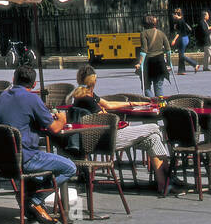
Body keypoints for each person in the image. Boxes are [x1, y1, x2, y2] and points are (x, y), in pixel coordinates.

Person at [64, 65, 179, 194]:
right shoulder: (87, 99)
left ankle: (164, 184)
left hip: (103, 136)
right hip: (108, 138)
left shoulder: (82, 95)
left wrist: (134, 103)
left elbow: (108, 104)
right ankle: (170, 176)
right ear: (94, 81)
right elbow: (105, 117)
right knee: (155, 127)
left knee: (154, 138)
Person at [0, 65, 77, 224]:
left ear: (13, 80)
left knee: (40, 169)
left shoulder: (2, 96)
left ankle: (29, 197)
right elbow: (55, 128)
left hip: (2, 161)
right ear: (34, 84)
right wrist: (63, 119)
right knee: (70, 167)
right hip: (26, 159)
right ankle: (35, 200)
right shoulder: (32, 99)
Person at [137, 15, 171, 99]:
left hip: (148, 63)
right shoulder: (161, 33)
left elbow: (144, 50)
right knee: (158, 86)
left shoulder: (144, 33)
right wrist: (169, 63)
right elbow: (168, 50)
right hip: (160, 62)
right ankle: (160, 104)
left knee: (146, 86)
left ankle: (153, 102)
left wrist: (140, 63)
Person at [169, 8, 197, 75]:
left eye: (173, 15)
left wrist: (174, 40)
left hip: (182, 39)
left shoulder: (179, 21)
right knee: (180, 54)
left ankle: (194, 64)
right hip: (185, 38)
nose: (173, 16)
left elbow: (178, 33)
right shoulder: (182, 20)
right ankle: (181, 70)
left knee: (181, 55)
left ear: (176, 14)